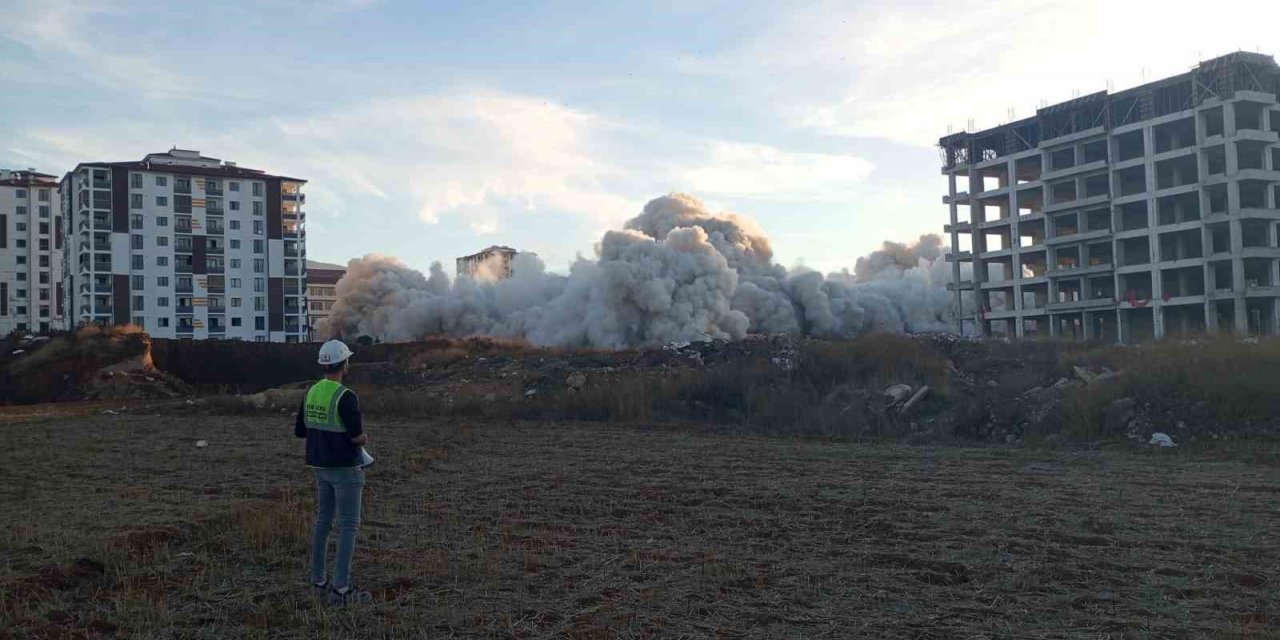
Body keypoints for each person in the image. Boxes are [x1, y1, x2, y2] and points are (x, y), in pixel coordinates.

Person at [294, 339, 372, 604]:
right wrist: (363, 438)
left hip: (320, 466)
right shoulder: (346, 396)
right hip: (346, 469)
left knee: (323, 522)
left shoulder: (311, 392)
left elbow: (300, 431)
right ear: (345, 364)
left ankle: (318, 581)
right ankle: (341, 589)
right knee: (348, 525)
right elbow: (356, 437)